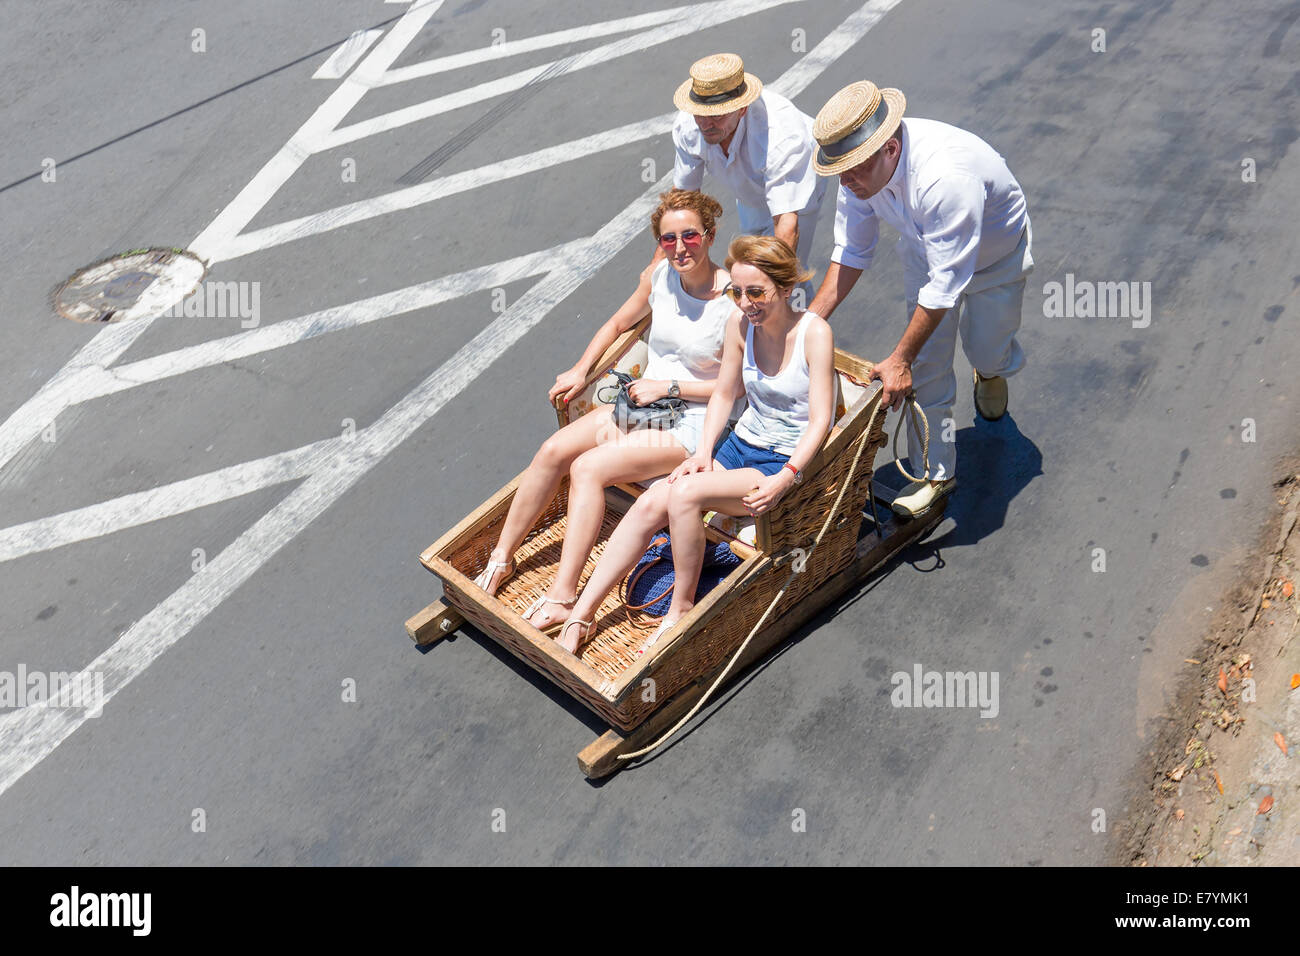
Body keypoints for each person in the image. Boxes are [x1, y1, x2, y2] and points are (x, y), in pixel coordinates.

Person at [472, 189, 740, 634]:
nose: (679, 248)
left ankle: (563, 597)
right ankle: (500, 559)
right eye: (668, 238)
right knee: (553, 449)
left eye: (689, 236)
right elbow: (619, 323)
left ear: (710, 235)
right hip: (644, 408)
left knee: (589, 468)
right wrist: (581, 370)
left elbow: (739, 386)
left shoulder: (733, 300)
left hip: (694, 419)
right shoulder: (660, 278)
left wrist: (668, 385)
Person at [558, 235, 835, 655]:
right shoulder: (741, 325)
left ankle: (680, 610)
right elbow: (725, 393)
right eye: (737, 292)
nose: (745, 303)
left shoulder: (815, 333)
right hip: (738, 448)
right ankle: (579, 613)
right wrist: (703, 452)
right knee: (652, 502)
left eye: (756, 292)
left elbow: (821, 420)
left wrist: (786, 477)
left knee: (683, 495)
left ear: (784, 287)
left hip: (779, 462)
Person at [804, 81, 1033, 517]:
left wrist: (898, 358)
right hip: (926, 252)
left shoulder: (946, 178)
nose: (846, 181)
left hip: (994, 258)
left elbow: (947, 284)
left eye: (854, 170)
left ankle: (991, 370)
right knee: (928, 366)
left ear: (890, 150)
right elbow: (852, 251)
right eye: (840, 171)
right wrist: (807, 324)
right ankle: (936, 473)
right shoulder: (855, 175)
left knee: (987, 348)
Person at [668, 53, 826, 295]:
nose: (706, 124)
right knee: (749, 262)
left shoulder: (782, 135)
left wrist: (771, 289)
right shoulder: (688, 125)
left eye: (717, 115)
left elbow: (786, 223)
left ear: (741, 110)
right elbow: (683, 202)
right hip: (749, 189)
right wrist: (660, 262)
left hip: (796, 185)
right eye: (700, 114)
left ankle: (800, 323)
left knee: (785, 271)